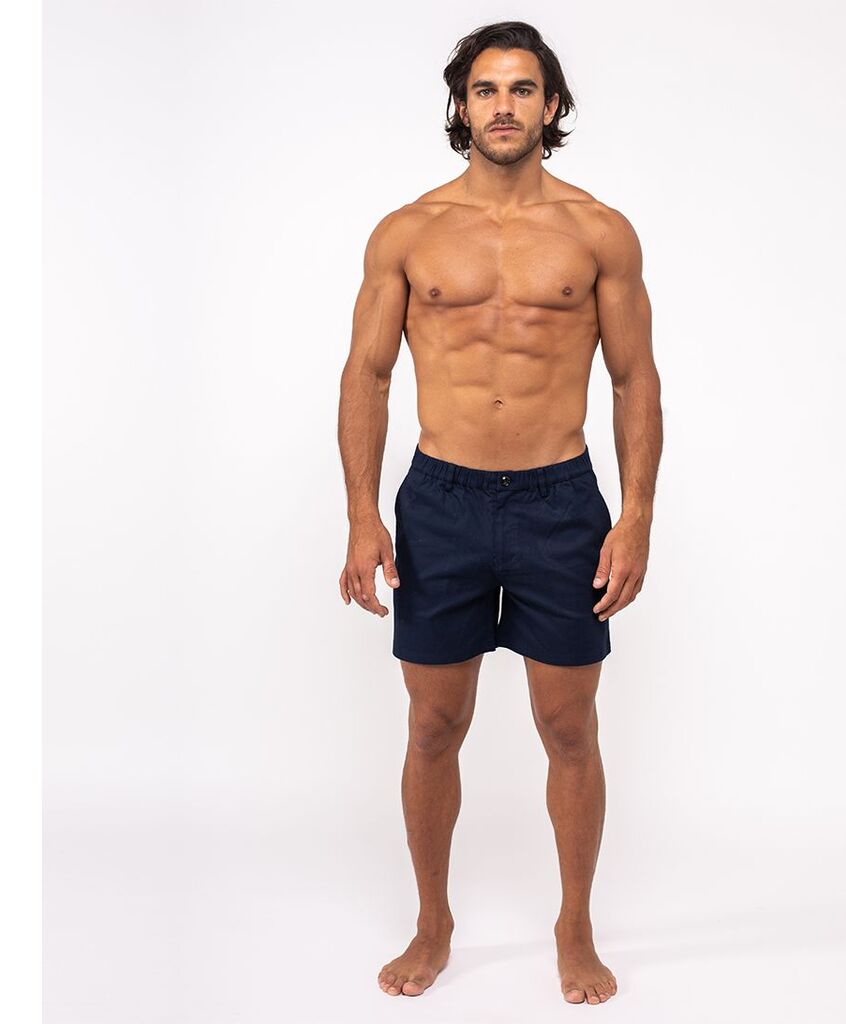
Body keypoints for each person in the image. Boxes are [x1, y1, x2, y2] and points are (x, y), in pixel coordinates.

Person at [337, 20, 662, 1006]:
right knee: (434, 723)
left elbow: (635, 378)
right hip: (441, 500)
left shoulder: (598, 232)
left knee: (568, 726)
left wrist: (636, 514)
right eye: (486, 89)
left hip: (560, 501)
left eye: (523, 89)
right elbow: (367, 374)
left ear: (551, 106)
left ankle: (575, 923)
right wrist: (361, 514)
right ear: (461, 105)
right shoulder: (408, 232)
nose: (504, 106)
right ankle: (432, 920)